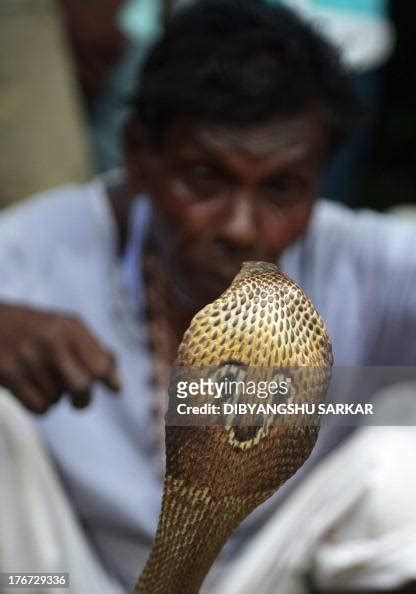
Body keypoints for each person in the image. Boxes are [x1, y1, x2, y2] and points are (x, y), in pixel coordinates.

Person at [0, 1, 416, 593]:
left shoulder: (360, 261)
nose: (242, 227)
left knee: (402, 472)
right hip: (55, 580)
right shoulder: (37, 248)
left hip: (268, 579)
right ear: (141, 155)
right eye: (204, 177)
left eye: (282, 188)